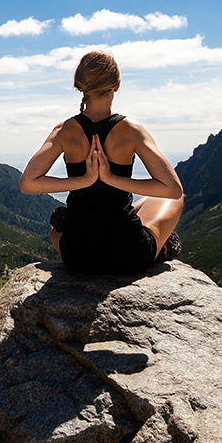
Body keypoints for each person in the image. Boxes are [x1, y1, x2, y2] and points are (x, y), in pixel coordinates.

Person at [19, 49, 183, 275]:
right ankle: (160, 245)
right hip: (130, 254)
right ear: (117, 85)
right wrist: (111, 179)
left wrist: (84, 180)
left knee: (55, 226)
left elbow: (28, 183)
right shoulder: (132, 130)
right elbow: (173, 190)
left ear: (80, 86)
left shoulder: (64, 130)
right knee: (171, 199)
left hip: (78, 257)